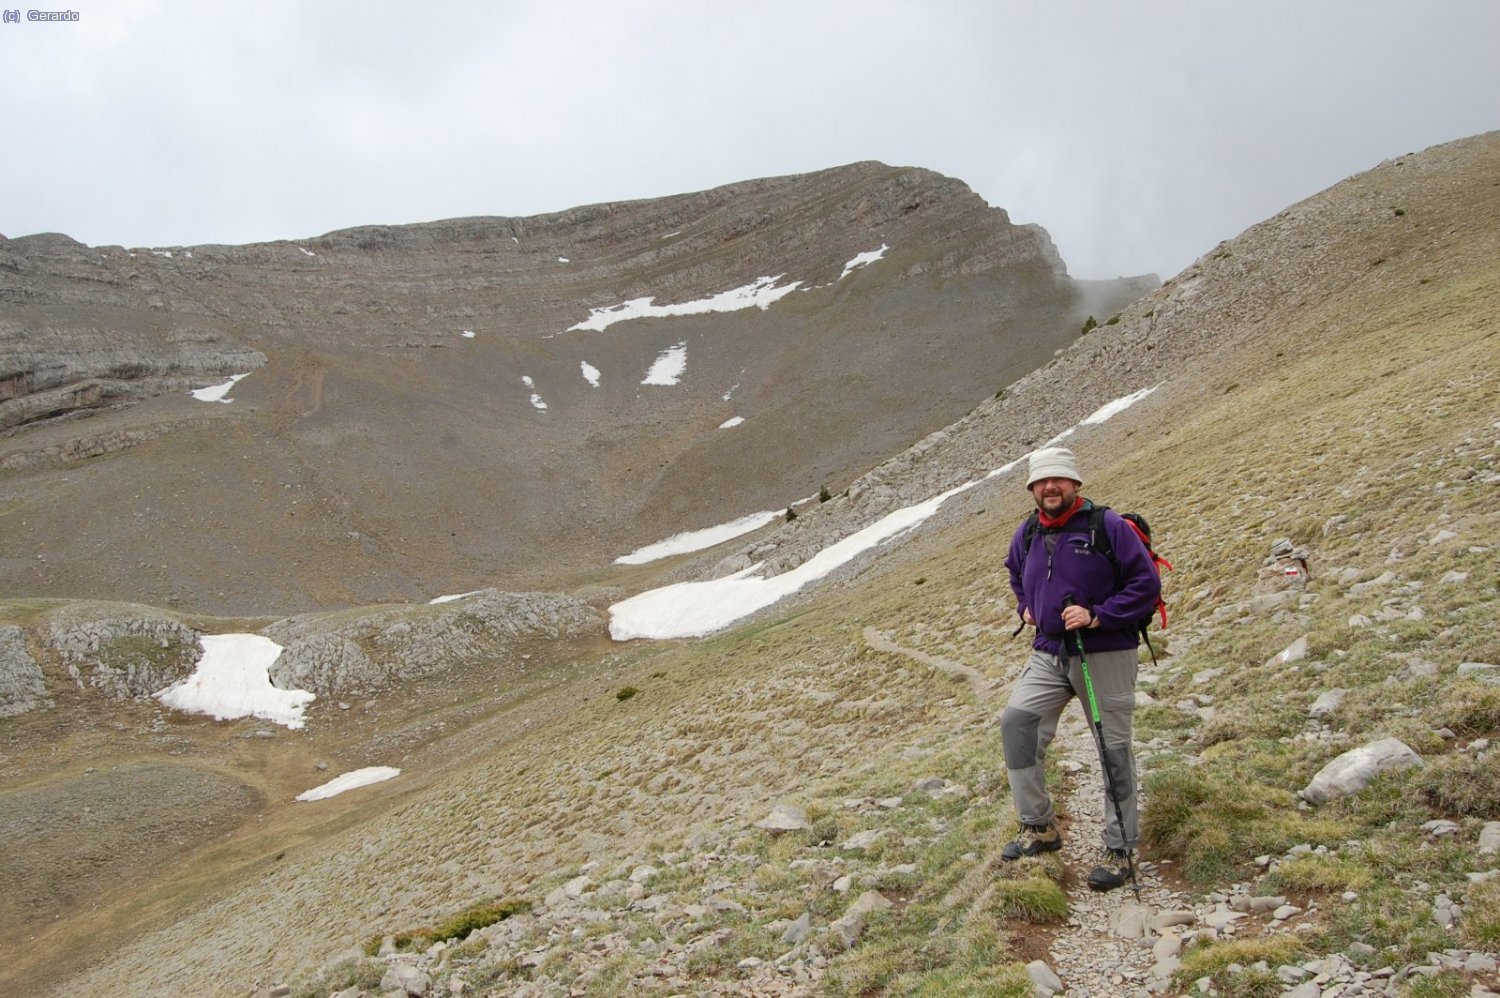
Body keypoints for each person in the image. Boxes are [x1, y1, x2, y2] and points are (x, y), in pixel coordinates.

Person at [998, 446, 1161, 891]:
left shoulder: (1106, 526)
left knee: (1112, 747)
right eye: (1041, 482)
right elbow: (1016, 573)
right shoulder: (1028, 531)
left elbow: (1146, 585)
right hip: (1049, 650)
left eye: (1059, 480)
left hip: (1104, 650)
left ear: (1075, 485)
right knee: (1017, 723)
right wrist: (1026, 606)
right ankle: (1039, 827)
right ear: (1032, 489)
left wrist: (1098, 614)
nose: (1050, 488)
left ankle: (1121, 846)